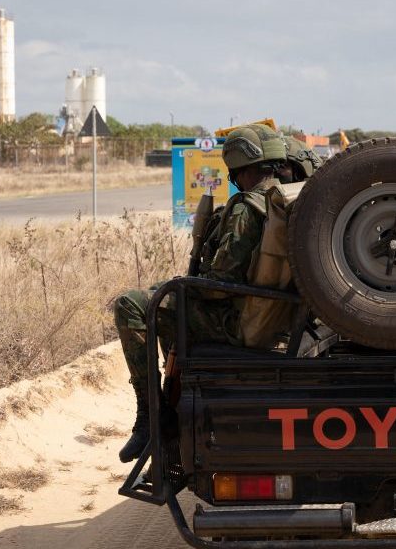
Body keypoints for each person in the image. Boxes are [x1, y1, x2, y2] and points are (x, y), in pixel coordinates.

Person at [112, 123, 288, 462]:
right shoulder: (283, 196)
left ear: (240, 166)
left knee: (132, 305)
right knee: (163, 298)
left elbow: (219, 285)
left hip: (231, 320)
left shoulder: (247, 207)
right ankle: (170, 411)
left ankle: (151, 415)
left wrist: (191, 279)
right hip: (266, 316)